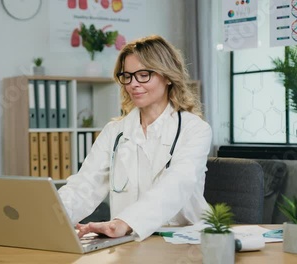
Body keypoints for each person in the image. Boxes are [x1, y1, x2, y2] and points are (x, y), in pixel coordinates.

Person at [58, 35, 212, 241]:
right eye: (127, 76)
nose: (133, 84)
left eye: (143, 75)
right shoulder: (115, 131)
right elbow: (84, 186)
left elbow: (177, 184)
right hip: (127, 241)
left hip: (182, 240)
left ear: (167, 77)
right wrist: (51, 216)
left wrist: (125, 222)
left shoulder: (195, 129)